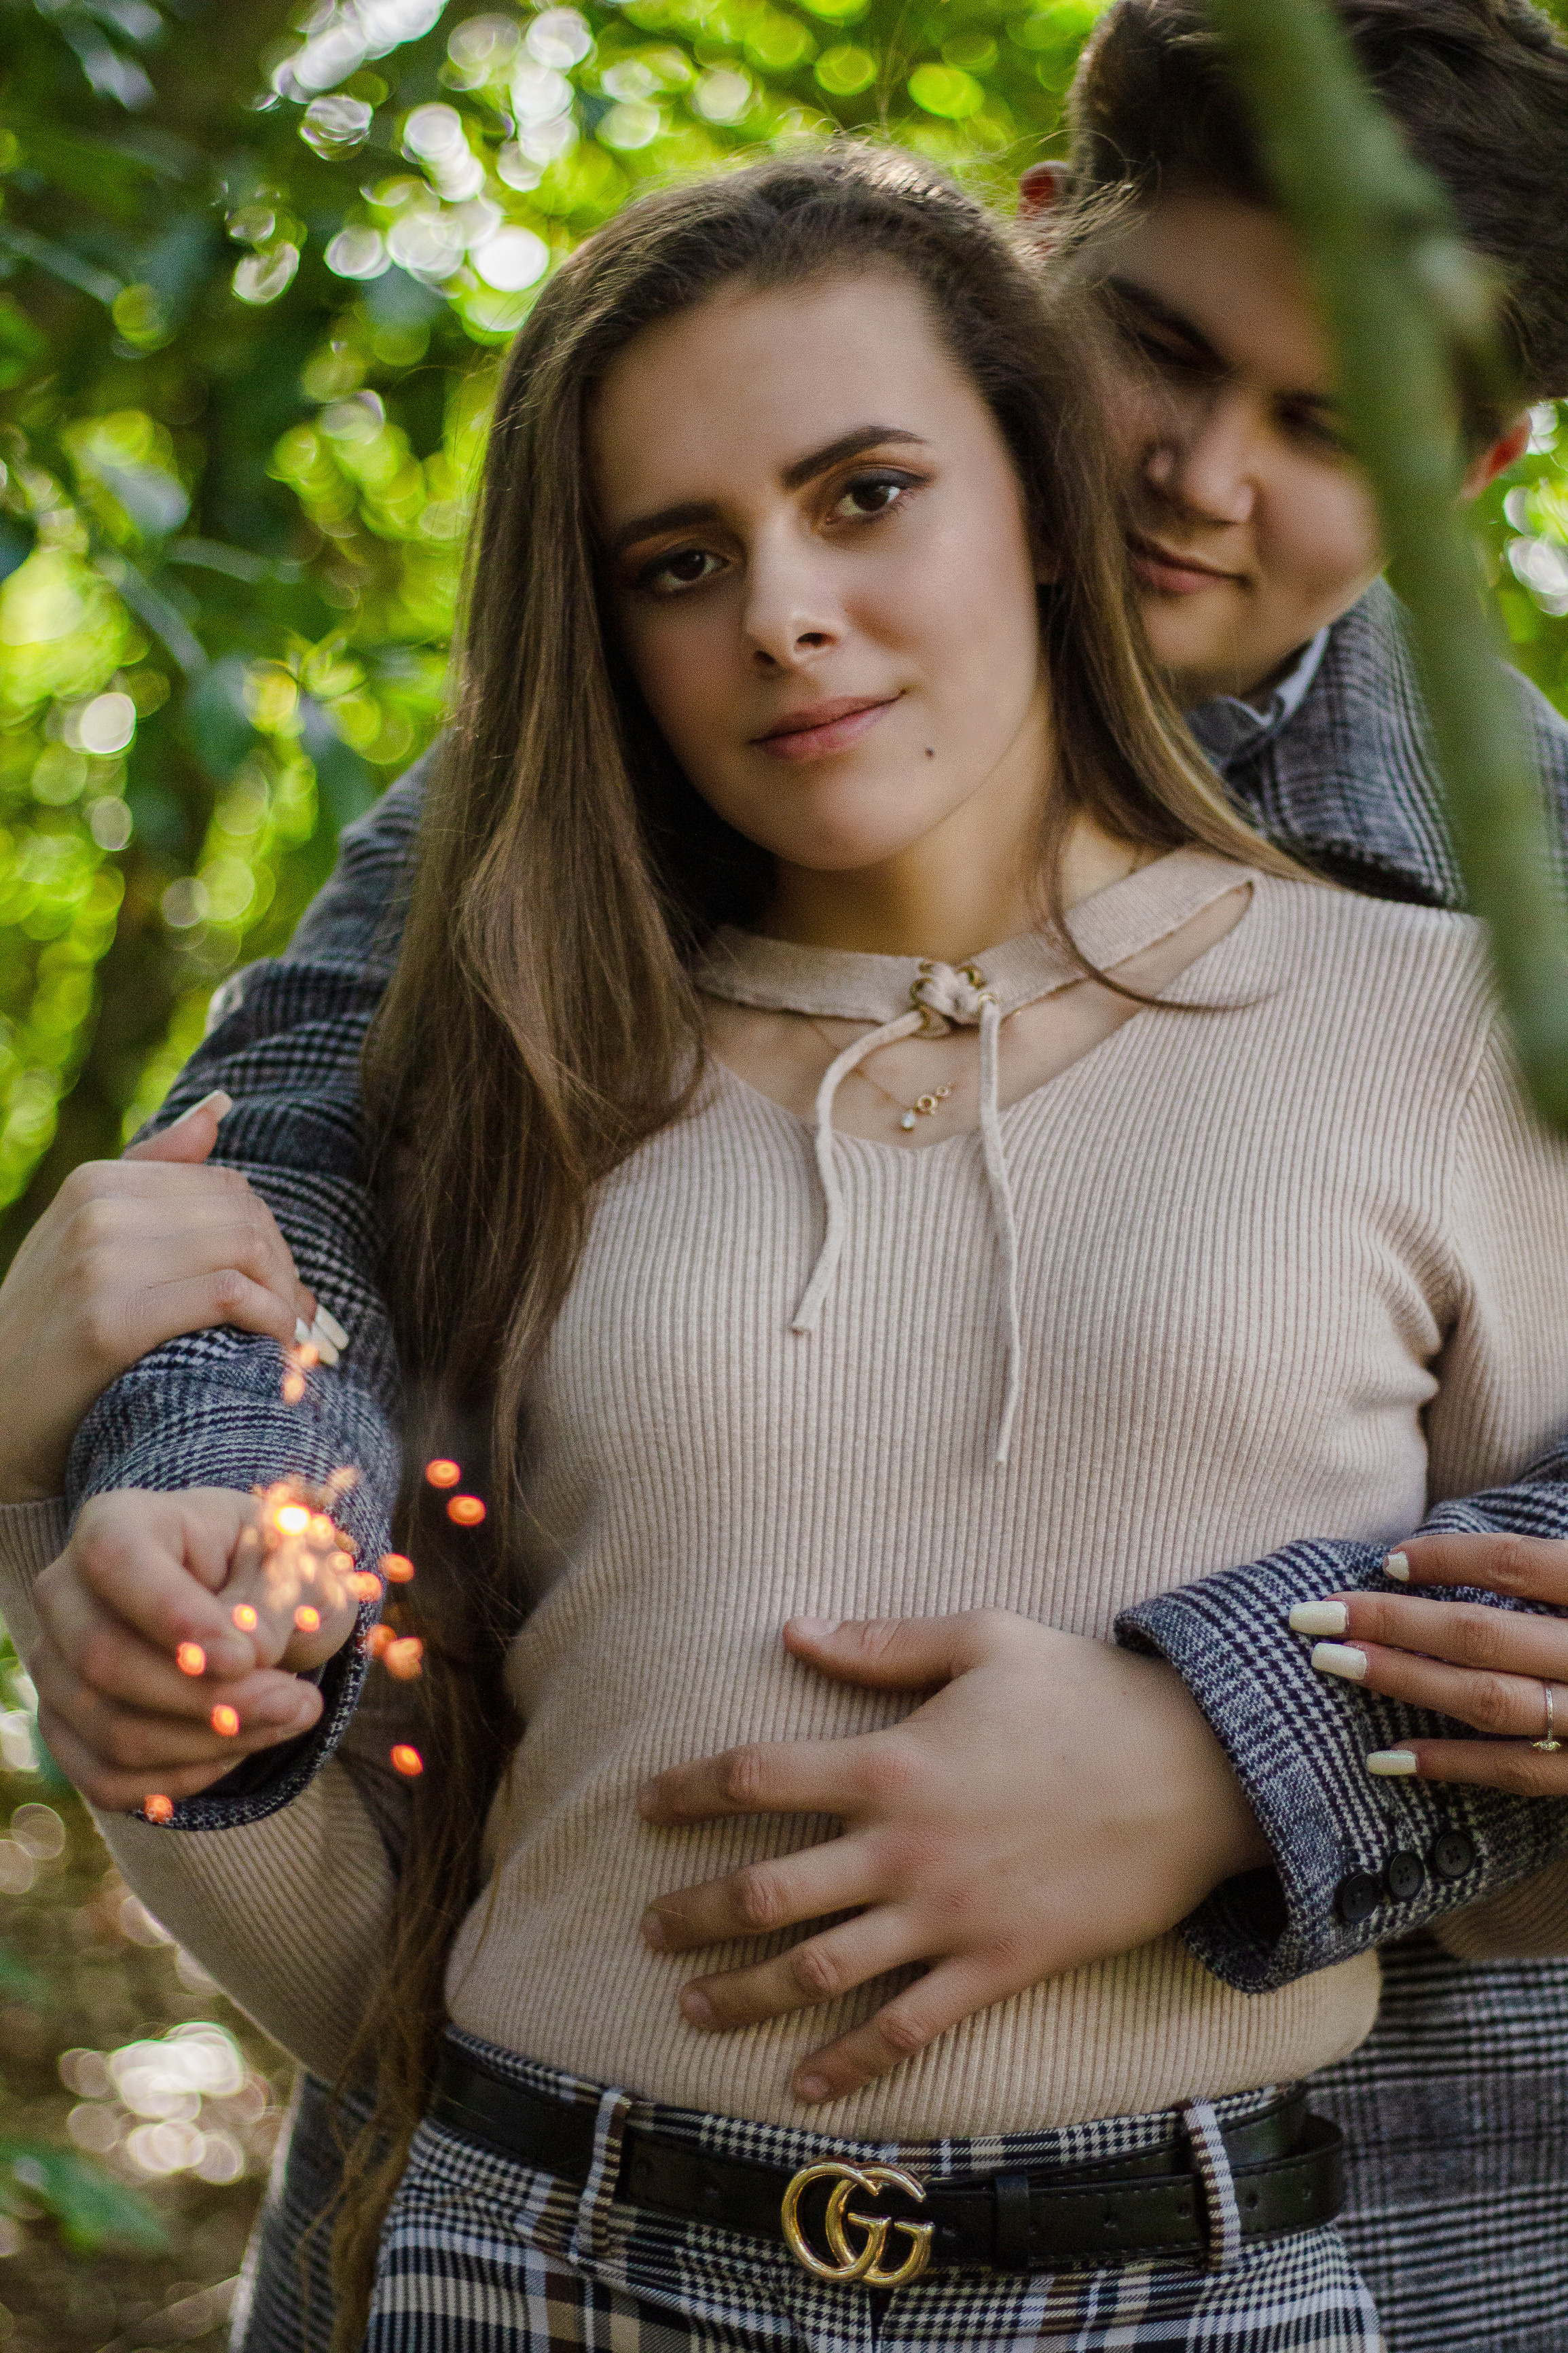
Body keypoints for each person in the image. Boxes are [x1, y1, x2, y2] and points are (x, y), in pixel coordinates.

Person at [9, 134, 1568, 2353]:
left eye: (1333, 422)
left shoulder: (1488, 970)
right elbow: (285, 1228)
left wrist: (1236, 1748)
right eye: (1160, 353)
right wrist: (140, 1519)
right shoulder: (539, 998)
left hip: (1316, 2242)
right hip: (530, 2242)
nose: (1199, 477)